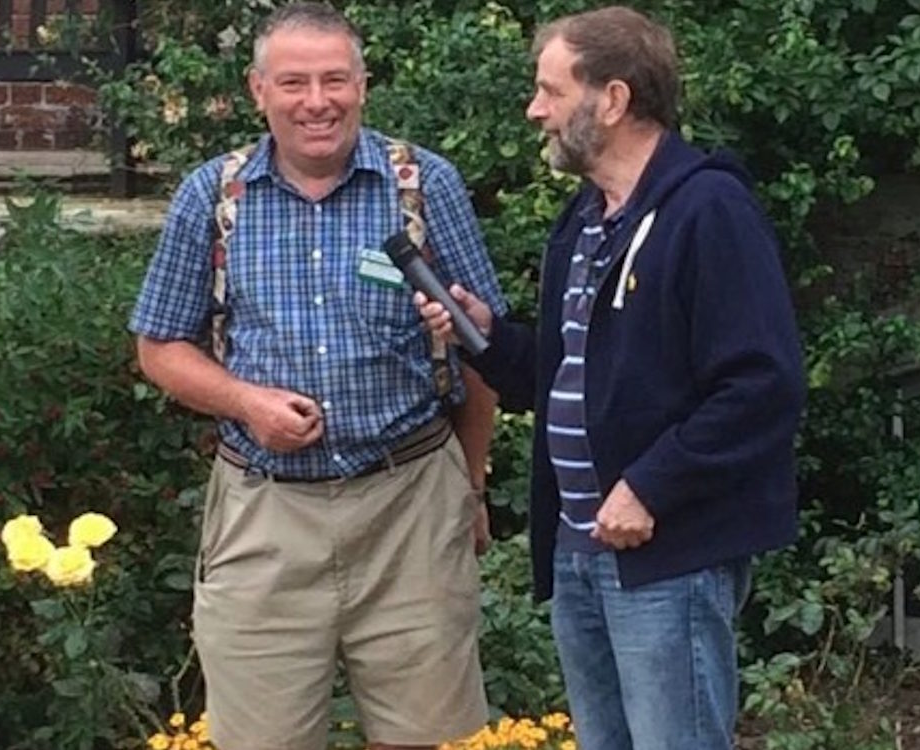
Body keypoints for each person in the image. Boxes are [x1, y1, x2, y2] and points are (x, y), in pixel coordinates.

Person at [415, 6, 806, 750]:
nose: (536, 111)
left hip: (667, 557)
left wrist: (650, 486)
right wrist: (486, 338)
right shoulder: (587, 219)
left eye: (551, 92)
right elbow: (565, 379)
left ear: (615, 99)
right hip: (580, 554)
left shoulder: (708, 210)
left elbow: (763, 386)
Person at [129, 4, 506, 750]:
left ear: (363, 85)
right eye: (294, 82)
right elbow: (159, 346)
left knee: (435, 738)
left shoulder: (424, 184)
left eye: (335, 79)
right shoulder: (214, 195)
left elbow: (486, 346)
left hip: (410, 506)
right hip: (264, 515)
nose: (316, 101)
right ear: (257, 90)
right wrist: (245, 401)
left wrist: (471, 483)